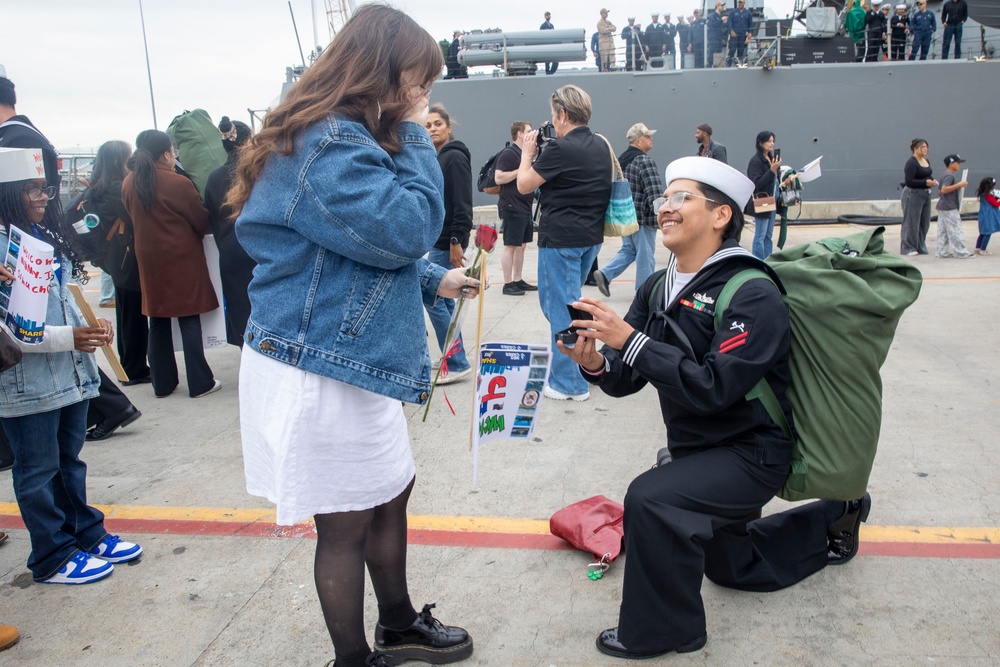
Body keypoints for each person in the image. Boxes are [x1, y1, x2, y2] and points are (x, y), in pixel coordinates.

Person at [227, 7, 476, 667]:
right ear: (381, 72)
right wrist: (417, 136)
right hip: (319, 361)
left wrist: (431, 280)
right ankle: (352, 655)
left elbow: (345, 252)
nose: (424, 96)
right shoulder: (329, 142)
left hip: (346, 349)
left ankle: (396, 622)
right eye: (418, 81)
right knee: (344, 519)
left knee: (389, 488)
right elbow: (404, 226)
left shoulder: (338, 136)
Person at [555, 155, 872, 660]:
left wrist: (631, 340)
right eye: (665, 199)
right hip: (697, 450)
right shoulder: (658, 286)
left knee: (652, 500)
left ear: (722, 215)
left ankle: (666, 631)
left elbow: (714, 388)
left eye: (682, 199)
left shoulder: (751, 291)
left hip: (752, 454)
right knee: (729, 567)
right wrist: (595, 362)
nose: (666, 209)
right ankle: (833, 519)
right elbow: (625, 379)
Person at [0, 147, 143, 585]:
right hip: (30, 384)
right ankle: (51, 554)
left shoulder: (40, 234)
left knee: (68, 461)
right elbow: (12, 329)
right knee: (38, 471)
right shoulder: (5, 249)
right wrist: (72, 338)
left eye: (44, 188)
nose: (43, 197)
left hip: (68, 375)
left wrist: (90, 325)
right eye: (30, 190)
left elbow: (61, 297)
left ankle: (84, 531)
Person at [0, 65, 140, 454]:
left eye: (42, 189)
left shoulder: (14, 142)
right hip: (52, 252)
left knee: (46, 462)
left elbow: (26, 332)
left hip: (32, 255)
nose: (43, 195)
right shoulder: (29, 136)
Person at [516, 84, 611, 402]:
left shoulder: (559, 149)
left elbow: (524, 185)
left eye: (553, 115)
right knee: (571, 308)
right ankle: (579, 370)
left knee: (561, 311)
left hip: (561, 241)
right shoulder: (600, 145)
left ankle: (569, 383)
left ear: (563, 113)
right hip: (589, 239)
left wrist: (527, 153)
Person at [121, 130, 221, 399]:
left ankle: (163, 384)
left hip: (148, 259)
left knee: (158, 320)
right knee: (189, 318)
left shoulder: (129, 182)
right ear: (166, 153)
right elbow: (200, 220)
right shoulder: (177, 183)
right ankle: (200, 383)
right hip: (180, 257)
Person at [85, 140, 150, 390]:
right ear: (116, 161)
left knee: (125, 313)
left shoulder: (98, 187)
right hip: (127, 258)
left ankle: (129, 365)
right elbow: (136, 215)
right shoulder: (115, 189)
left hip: (115, 258)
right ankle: (135, 369)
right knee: (133, 315)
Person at [424, 104, 474, 384]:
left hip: (447, 241)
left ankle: (456, 362)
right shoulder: (440, 157)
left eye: (437, 124)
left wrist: (456, 239)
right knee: (442, 299)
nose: (432, 129)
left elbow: (462, 202)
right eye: (428, 125)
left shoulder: (453, 157)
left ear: (449, 127)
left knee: (431, 296)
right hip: (441, 238)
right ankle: (452, 354)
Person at [593, 123, 664, 296]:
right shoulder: (645, 161)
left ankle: (605, 273)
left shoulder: (623, 161)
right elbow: (654, 193)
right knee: (645, 257)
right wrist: (662, 215)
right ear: (639, 141)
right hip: (644, 219)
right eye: (648, 136)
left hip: (628, 217)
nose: (651, 139)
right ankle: (644, 293)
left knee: (629, 250)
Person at [204, 120, 256, 347]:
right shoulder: (258, 171)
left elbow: (212, 219)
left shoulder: (214, 177)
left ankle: (247, 356)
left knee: (239, 308)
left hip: (229, 251)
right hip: (259, 248)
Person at [494, 121, 537, 296]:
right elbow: (498, 178)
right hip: (511, 206)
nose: (531, 133)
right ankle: (507, 283)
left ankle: (517, 279)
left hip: (524, 207)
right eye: (528, 131)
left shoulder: (523, 154)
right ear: (519, 133)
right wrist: (520, 170)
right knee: (511, 245)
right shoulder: (509, 153)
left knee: (521, 245)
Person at [747, 131, 780, 260]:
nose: (772, 143)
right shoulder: (756, 161)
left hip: (772, 199)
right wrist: (771, 170)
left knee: (768, 235)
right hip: (763, 199)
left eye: (773, 141)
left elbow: (774, 180)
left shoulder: (771, 159)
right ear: (761, 143)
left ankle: (768, 261)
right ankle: (759, 261)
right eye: (769, 141)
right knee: (760, 234)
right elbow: (757, 183)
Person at [900, 138, 937, 255]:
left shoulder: (926, 161)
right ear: (915, 149)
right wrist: (925, 183)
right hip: (913, 194)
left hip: (926, 194)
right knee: (912, 221)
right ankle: (908, 247)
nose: (925, 149)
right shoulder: (911, 163)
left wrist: (932, 180)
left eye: (926, 147)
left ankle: (920, 245)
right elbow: (909, 181)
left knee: (924, 221)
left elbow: (927, 174)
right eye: (923, 147)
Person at [935, 154, 973, 259]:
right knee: (955, 229)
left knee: (942, 231)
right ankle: (961, 252)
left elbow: (939, 192)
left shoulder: (944, 175)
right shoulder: (949, 176)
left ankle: (942, 252)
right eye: (958, 162)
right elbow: (944, 189)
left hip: (942, 206)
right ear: (951, 164)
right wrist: (960, 185)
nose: (959, 165)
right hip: (949, 207)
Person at [975, 177, 1000, 255]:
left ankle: (977, 248)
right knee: (988, 233)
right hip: (989, 216)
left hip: (983, 215)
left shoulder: (982, 194)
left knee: (983, 232)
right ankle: (983, 249)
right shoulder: (988, 196)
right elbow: (995, 204)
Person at [727, 0, 753, 66]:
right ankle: (728, 65)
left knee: (741, 51)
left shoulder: (748, 13)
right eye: (739, 2)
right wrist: (731, 31)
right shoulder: (732, 12)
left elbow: (751, 24)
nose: (740, 3)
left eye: (742, 2)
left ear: (744, 3)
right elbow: (729, 22)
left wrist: (750, 33)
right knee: (732, 50)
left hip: (743, 35)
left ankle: (739, 65)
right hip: (734, 35)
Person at [707, 2, 727, 67]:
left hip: (718, 38)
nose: (722, 7)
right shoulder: (713, 15)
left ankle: (717, 65)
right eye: (721, 5)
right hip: (713, 37)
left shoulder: (718, 16)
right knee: (712, 51)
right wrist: (721, 20)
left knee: (718, 52)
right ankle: (710, 65)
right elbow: (713, 24)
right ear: (717, 6)